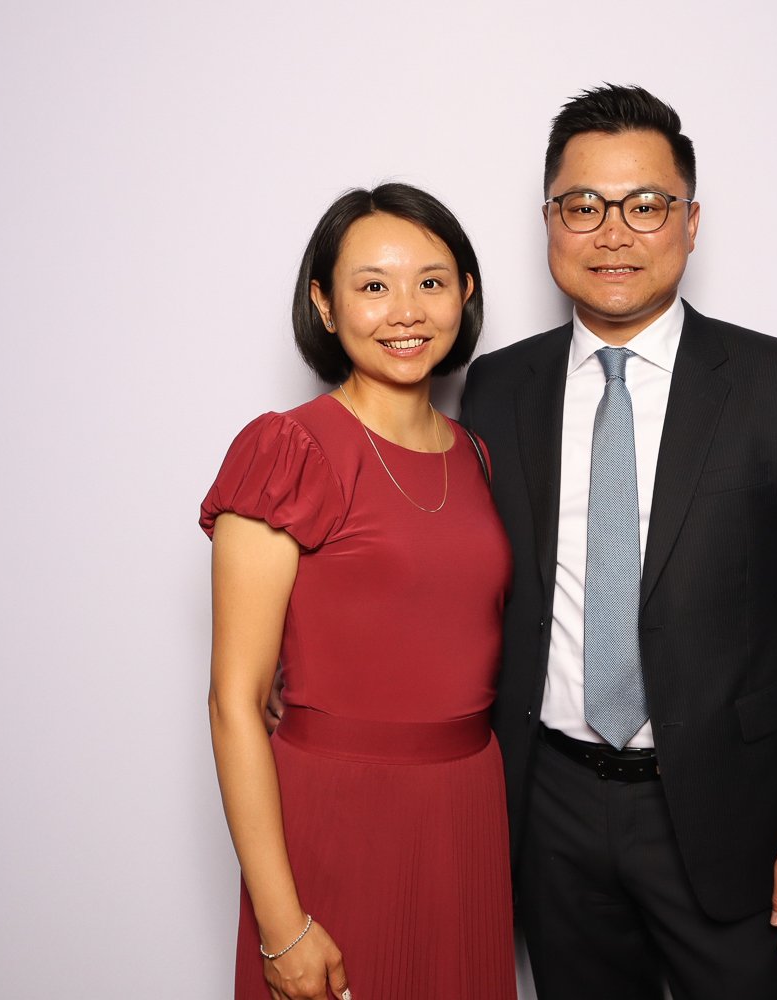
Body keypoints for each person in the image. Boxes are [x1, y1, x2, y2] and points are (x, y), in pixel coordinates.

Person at [460, 85, 777, 999]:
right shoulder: (497, 387)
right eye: (584, 205)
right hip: (550, 808)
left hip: (731, 809)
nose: (613, 232)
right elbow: (457, 575)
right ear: (549, 223)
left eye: (645, 205)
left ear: (690, 223)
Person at [201, 183, 516, 1000]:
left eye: (431, 282)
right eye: (373, 285)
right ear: (325, 304)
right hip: (337, 820)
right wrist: (282, 924)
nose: (405, 311)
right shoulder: (288, 448)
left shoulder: (478, 455)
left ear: (465, 293)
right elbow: (235, 703)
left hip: (466, 817)